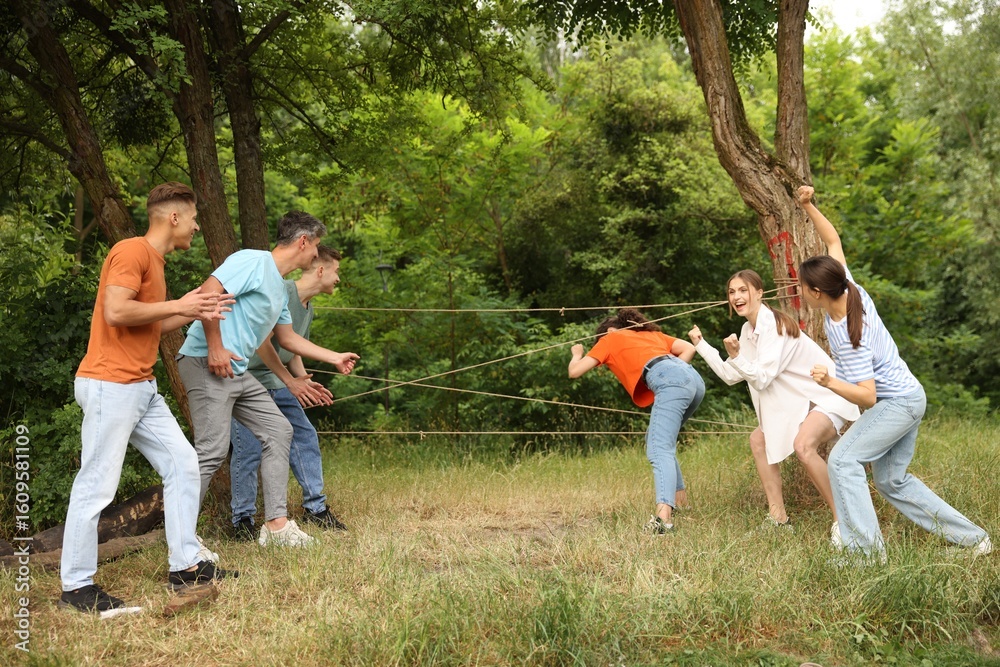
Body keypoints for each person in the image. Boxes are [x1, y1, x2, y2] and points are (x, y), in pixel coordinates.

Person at [61, 182, 236, 618]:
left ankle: (186, 566)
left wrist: (195, 311)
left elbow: (147, 324)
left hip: (140, 387)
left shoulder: (154, 263)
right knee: (96, 483)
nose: (197, 226)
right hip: (110, 384)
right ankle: (76, 586)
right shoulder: (132, 251)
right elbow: (116, 312)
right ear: (173, 216)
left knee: (183, 463)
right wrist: (180, 303)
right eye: (193, 218)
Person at [797, 185, 992, 560]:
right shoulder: (849, 290)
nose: (801, 291)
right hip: (908, 396)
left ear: (818, 291)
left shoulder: (851, 336)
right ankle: (974, 541)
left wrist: (829, 381)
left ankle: (867, 555)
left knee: (842, 460)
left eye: (804, 288)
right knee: (890, 480)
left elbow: (867, 397)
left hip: (897, 403)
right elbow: (833, 240)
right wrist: (808, 206)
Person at [177, 211, 359, 547]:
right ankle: (182, 537)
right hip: (205, 361)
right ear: (303, 241)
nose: (316, 254)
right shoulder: (252, 261)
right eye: (316, 246)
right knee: (212, 452)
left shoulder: (280, 287)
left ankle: (276, 526)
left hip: (237, 370)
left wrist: (334, 357)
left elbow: (288, 340)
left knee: (280, 430)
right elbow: (209, 290)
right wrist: (215, 346)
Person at [688, 270, 859, 540]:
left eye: (743, 290)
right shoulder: (748, 330)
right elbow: (733, 375)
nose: (737, 296)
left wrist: (736, 355)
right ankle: (778, 518)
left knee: (803, 446)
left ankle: (845, 522)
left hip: (826, 396)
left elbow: (762, 378)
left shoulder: (776, 327)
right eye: (732, 292)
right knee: (758, 440)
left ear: (759, 293)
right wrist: (701, 346)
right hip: (798, 404)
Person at [228, 245, 348, 540]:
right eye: (337, 272)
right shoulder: (281, 290)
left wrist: (301, 380)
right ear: (320, 270)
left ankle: (316, 509)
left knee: (304, 435)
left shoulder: (308, 307)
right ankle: (241, 520)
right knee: (249, 450)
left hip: (278, 381)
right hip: (248, 378)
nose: (339, 279)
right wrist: (291, 381)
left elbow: (291, 346)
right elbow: (261, 342)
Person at [568, 308, 704, 533]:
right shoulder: (650, 334)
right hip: (693, 379)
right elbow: (689, 348)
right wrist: (677, 372)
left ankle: (663, 521)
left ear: (610, 330)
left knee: (658, 448)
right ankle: (681, 504)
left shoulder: (611, 337)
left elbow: (575, 371)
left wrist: (577, 353)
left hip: (670, 378)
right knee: (658, 440)